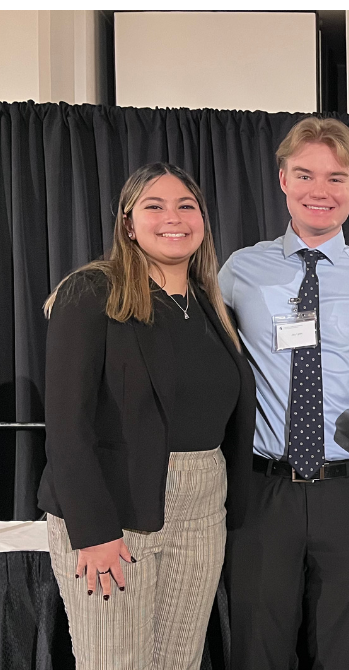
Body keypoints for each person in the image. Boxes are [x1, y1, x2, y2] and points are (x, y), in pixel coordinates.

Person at [39, 162, 256, 670]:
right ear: (128, 222)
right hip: (114, 508)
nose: (173, 218)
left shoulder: (211, 307)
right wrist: (93, 531)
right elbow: (67, 428)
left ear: (202, 220)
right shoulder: (90, 292)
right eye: (154, 206)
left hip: (203, 509)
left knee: (180, 662)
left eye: (186, 206)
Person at [219, 116, 349, 670]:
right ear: (283, 180)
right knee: (257, 649)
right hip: (263, 492)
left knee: (342, 651)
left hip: (348, 494)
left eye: (335, 177)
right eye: (305, 175)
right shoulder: (239, 271)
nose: (319, 190)